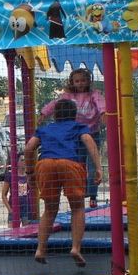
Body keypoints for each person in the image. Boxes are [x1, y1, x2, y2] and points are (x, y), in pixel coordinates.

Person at [23, 99, 102, 266]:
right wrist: (98, 167)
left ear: (55, 115)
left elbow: (29, 148)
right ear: (74, 115)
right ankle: (75, 248)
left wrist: (30, 172)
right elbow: (89, 142)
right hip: (70, 164)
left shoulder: (45, 129)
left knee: (50, 210)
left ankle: (40, 249)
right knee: (78, 207)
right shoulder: (78, 126)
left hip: (45, 164)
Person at [41, 68, 108, 207]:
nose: (80, 83)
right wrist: (44, 113)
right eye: (77, 81)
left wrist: (103, 114)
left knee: (92, 165)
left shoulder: (93, 94)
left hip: (91, 133)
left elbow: (100, 103)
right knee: (79, 164)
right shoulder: (68, 96)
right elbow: (55, 104)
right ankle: (81, 191)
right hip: (75, 135)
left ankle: (93, 195)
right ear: (72, 82)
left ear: (88, 81)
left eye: (83, 80)